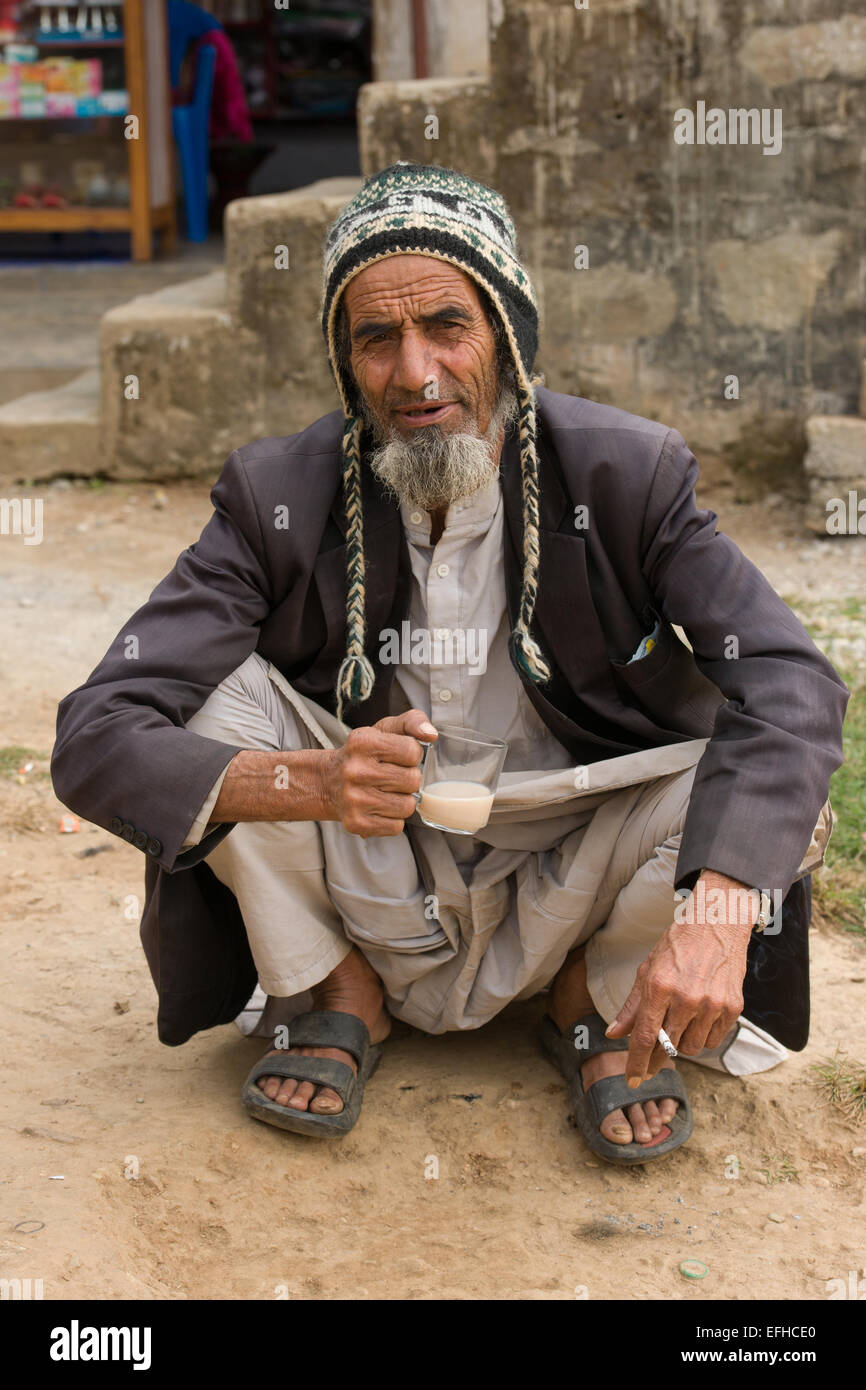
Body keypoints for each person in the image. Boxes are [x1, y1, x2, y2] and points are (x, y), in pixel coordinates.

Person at [51, 162, 848, 1163]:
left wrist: (721, 914)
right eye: (375, 338)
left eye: (445, 326)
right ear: (345, 361)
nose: (413, 373)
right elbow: (97, 725)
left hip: (578, 855)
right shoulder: (275, 491)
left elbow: (787, 680)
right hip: (366, 853)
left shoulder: (625, 471)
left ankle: (594, 999)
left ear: (506, 336)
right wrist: (307, 777)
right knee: (215, 707)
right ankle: (336, 987)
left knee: (755, 785)